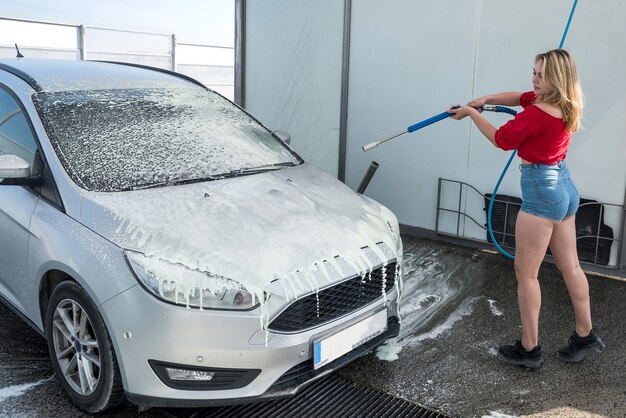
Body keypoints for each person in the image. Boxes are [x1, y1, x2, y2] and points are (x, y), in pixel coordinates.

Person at [448, 49, 605, 368]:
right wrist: (483, 99)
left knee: (526, 273)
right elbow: (518, 97)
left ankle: (529, 348)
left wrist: (470, 113)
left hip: (541, 191)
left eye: (540, 75)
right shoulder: (565, 103)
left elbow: (501, 139)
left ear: (555, 79)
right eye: (533, 72)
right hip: (564, 187)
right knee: (571, 267)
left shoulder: (536, 113)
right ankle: (585, 334)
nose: (533, 80)